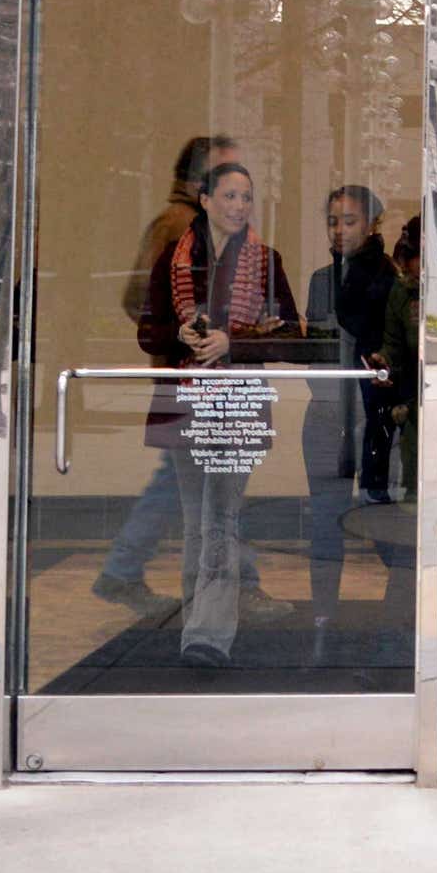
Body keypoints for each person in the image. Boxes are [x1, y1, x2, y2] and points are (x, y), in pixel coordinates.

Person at [94, 135, 280, 617]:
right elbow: (142, 301)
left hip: (205, 384)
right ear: (200, 182)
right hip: (196, 383)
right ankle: (228, 587)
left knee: (195, 488)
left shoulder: (201, 226)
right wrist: (192, 335)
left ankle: (125, 571)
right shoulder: (182, 228)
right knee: (210, 493)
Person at [138, 161, 304, 667]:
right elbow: (148, 333)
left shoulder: (266, 260)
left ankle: (208, 636)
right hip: (187, 403)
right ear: (205, 200)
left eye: (246, 197)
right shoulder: (173, 259)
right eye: (229, 196)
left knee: (220, 518)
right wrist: (181, 335)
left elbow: (293, 335)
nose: (239, 206)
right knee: (197, 521)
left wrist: (236, 342)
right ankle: (197, 627)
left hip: (237, 404)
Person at [304, 185, 394, 627]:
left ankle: (401, 613)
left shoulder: (389, 278)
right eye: (333, 221)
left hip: (375, 414)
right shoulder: (322, 279)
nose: (339, 230)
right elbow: (316, 348)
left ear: (372, 224)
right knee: (325, 520)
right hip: (327, 410)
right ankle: (323, 615)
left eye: (350, 221)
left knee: (382, 516)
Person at [382, 215, 423, 500]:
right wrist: (384, 360)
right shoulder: (402, 292)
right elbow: (393, 343)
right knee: (414, 454)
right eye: (418, 257)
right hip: (414, 392)